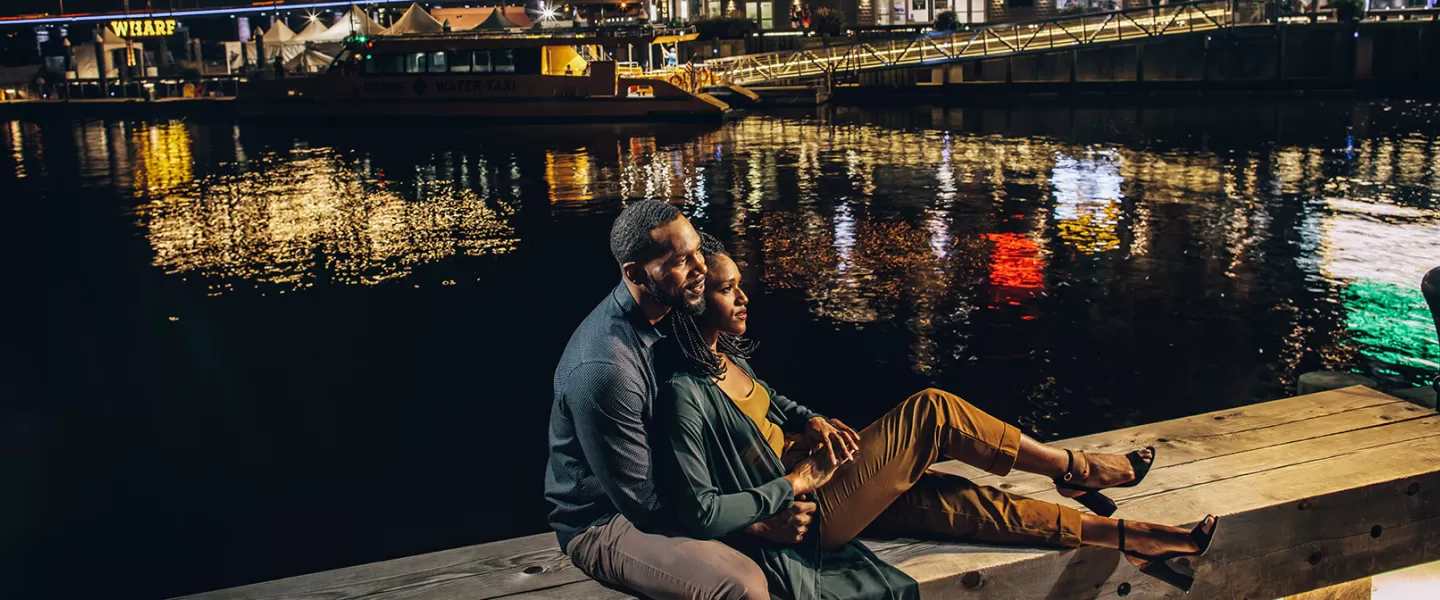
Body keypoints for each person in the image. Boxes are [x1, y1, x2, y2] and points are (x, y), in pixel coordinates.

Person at [657, 234, 1220, 597]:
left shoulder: (724, 359)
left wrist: (814, 421)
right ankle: (1074, 469)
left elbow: (777, 406)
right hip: (806, 507)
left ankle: (1126, 536)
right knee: (933, 410)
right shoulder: (685, 391)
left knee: (957, 500)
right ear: (696, 301)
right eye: (731, 291)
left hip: (819, 473)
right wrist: (779, 499)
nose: (746, 299)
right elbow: (694, 504)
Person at [545, 201, 796, 600]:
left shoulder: (674, 309)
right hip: (609, 520)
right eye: (681, 260)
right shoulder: (606, 368)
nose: (700, 268)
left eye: (697, 250)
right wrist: (755, 520)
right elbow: (645, 505)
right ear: (635, 274)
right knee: (742, 586)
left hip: (692, 488)